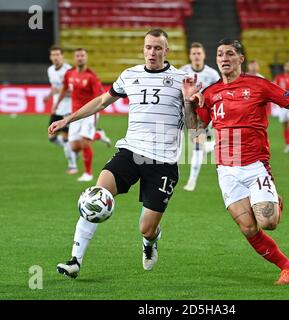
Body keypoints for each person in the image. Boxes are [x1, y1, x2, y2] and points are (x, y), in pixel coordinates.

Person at [48, 29, 201, 278]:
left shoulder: (182, 80)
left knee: (146, 228)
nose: (152, 52)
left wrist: (187, 100)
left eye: (158, 48)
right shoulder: (130, 75)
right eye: (148, 47)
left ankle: (150, 243)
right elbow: (100, 102)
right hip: (130, 151)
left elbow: (195, 129)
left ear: (167, 51)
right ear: (143, 49)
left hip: (163, 161)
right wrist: (69, 118)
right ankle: (75, 260)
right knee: (95, 196)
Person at [184, 39, 289, 285]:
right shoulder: (211, 93)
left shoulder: (258, 85)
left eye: (230, 53)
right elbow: (195, 131)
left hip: (255, 166)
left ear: (240, 59)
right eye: (220, 54)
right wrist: (188, 102)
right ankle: (288, 268)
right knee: (249, 228)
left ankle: (274, 200)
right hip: (226, 170)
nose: (224, 58)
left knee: (268, 222)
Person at [54, 48, 112, 182]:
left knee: (85, 143)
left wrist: (97, 112)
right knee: (74, 147)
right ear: (74, 58)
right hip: (75, 114)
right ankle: (99, 135)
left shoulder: (91, 77)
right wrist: (57, 103)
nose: (80, 58)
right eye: (77, 56)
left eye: (82, 55)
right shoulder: (69, 74)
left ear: (86, 58)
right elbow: (64, 89)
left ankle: (88, 173)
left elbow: (100, 97)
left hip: (89, 113)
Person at [180, 42, 220, 191]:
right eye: (194, 53)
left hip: (205, 116)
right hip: (189, 115)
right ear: (190, 56)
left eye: (199, 53)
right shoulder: (183, 72)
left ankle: (191, 181)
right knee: (199, 144)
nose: (196, 56)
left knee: (197, 145)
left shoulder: (212, 74)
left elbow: (218, 94)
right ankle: (212, 146)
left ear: (203, 55)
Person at [45, 45, 78, 175]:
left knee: (65, 138)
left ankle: (72, 166)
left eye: (58, 54)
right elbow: (54, 87)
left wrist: (60, 91)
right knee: (51, 137)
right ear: (50, 57)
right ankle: (72, 151)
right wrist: (48, 96)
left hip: (68, 109)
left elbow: (72, 90)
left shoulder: (69, 70)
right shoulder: (50, 70)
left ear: (62, 56)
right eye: (53, 55)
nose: (56, 57)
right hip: (57, 108)